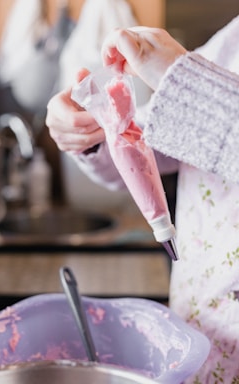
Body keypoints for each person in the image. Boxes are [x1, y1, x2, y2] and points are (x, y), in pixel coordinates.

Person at [46, 16, 239, 383]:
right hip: (199, 338)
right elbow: (143, 144)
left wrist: (187, 81)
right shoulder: (232, 41)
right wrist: (92, 131)